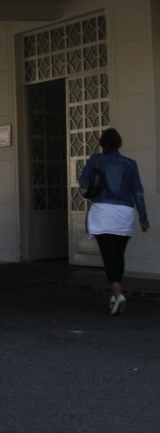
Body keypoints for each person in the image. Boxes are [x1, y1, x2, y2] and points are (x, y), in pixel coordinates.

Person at [79, 128, 149, 315]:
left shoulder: (96, 159)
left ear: (102, 144)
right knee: (118, 254)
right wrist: (143, 218)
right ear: (119, 144)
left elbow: (83, 181)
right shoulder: (130, 164)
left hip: (103, 211)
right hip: (125, 212)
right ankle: (114, 295)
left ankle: (118, 295)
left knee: (108, 254)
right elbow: (138, 193)